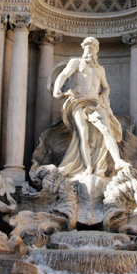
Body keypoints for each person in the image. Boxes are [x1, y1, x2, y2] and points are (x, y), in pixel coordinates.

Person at [52, 37, 128, 178]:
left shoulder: (99, 69)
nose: (90, 50)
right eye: (87, 47)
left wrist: (103, 99)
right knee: (83, 133)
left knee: (106, 129)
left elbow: (105, 87)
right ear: (83, 48)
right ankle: (88, 167)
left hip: (94, 103)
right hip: (78, 102)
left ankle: (117, 161)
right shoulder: (76, 62)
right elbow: (63, 75)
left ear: (96, 51)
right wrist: (57, 88)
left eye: (92, 48)